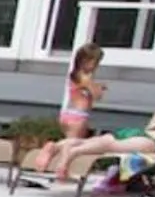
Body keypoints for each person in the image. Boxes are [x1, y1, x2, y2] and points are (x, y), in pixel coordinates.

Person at [45, 90, 155, 183]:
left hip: (138, 133)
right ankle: (72, 154)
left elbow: (151, 127)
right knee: (109, 148)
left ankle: (60, 145)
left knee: (96, 140)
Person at [23, 44, 105, 179]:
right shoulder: (85, 77)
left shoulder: (75, 75)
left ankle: (55, 151)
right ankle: (62, 167)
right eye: (95, 62)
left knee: (71, 142)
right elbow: (97, 95)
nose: (96, 66)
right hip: (79, 116)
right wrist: (99, 89)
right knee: (71, 144)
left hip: (67, 113)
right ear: (85, 61)